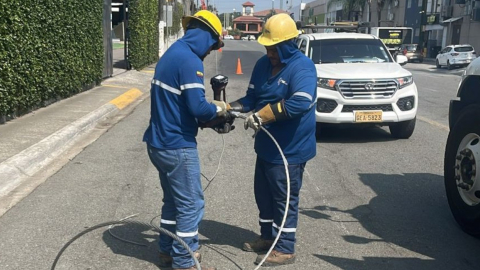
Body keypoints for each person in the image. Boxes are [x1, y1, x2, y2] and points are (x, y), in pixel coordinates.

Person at [228, 13, 317, 267]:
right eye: (267, 47)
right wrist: (228, 107)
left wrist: (264, 115)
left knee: (284, 198)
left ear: (288, 44)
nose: (270, 52)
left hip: (290, 149)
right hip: (266, 147)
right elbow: (251, 100)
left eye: (274, 48)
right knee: (264, 194)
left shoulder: (302, 67)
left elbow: (301, 102)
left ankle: (286, 247)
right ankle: (268, 237)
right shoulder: (262, 66)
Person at [143, 10, 228, 270]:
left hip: (157, 143)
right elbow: (198, 108)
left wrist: (206, 114)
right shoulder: (190, 60)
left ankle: (167, 251)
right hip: (177, 145)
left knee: (172, 202)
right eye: (213, 45)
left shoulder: (172, 53)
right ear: (207, 36)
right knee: (191, 204)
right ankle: (185, 262)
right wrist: (220, 109)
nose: (211, 51)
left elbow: (179, 105)